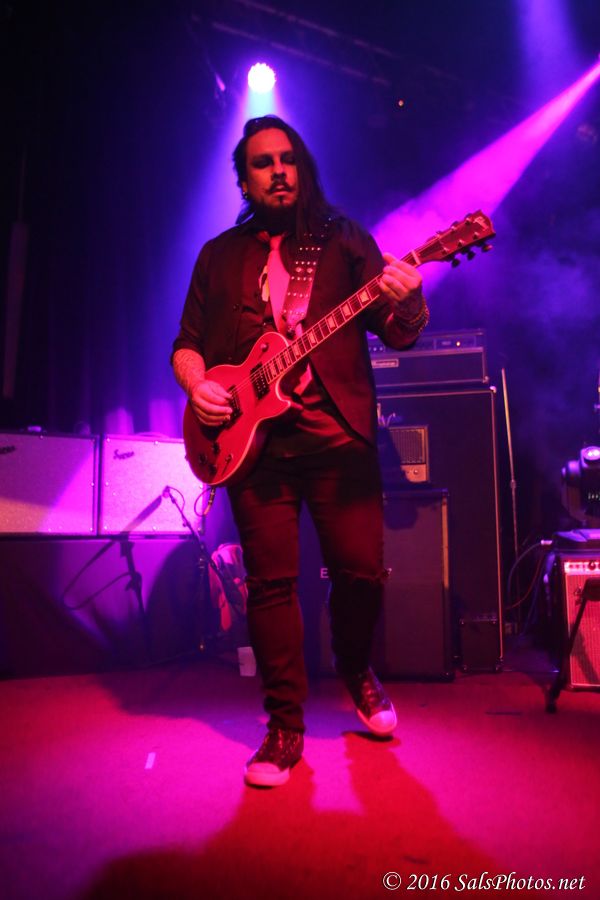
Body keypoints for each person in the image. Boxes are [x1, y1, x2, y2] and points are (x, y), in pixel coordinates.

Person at [172, 115, 429, 788]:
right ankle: (284, 727)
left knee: (361, 573)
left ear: (302, 166)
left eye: (287, 158)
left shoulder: (343, 239)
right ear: (244, 180)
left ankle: (355, 667)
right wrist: (199, 386)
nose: (278, 170)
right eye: (262, 163)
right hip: (253, 446)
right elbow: (187, 345)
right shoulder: (218, 256)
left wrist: (411, 300)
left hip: (338, 436)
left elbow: (398, 333)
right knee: (271, 586)